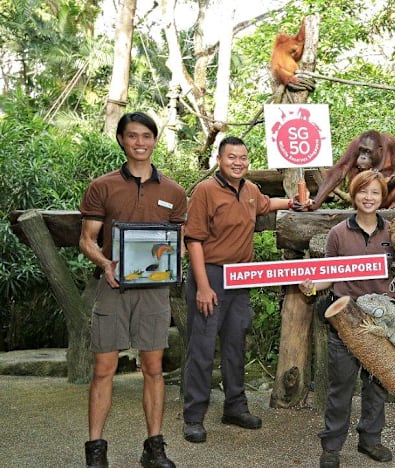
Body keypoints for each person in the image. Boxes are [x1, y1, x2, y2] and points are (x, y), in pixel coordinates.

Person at [181, 136, 311, 443]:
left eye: (243, 157)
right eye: (232, 157)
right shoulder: (205, 191)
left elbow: (267, 204)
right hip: (210, 275)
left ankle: (235, 407)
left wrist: (293, 203)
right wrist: (202, 286)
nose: (238, 162)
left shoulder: (250, 189)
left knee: (236, 345)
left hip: (240, 278)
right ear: (219, 159)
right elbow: (193, 239)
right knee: (202, 348)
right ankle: (193, 417)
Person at [79, 112, 186, 468]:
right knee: (104, 367)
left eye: (146, 136)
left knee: (153, 367)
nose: (140, 142)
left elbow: (179, 242)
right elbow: (87, 240)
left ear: (155, 141)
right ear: (122, 140)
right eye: (132, 136)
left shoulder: (174, 191)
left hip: (154, 291)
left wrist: (170, 263)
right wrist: (106, 264)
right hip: (113, 285)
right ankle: (96, 450)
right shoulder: (102, 186)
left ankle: (153, 449)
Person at [298, 170, 395, 468]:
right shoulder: (339, 233)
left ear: (382, 198)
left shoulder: (392, 233)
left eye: (375, 193)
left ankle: (370, 440)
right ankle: (331, 445)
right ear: (354, 195)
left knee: (376, 385)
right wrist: (313, 285)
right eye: (363, 192)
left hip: (380, 321)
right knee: (341, 386)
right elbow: (329, 276)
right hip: (345, 320)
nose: (369, 198)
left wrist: (392, 298)